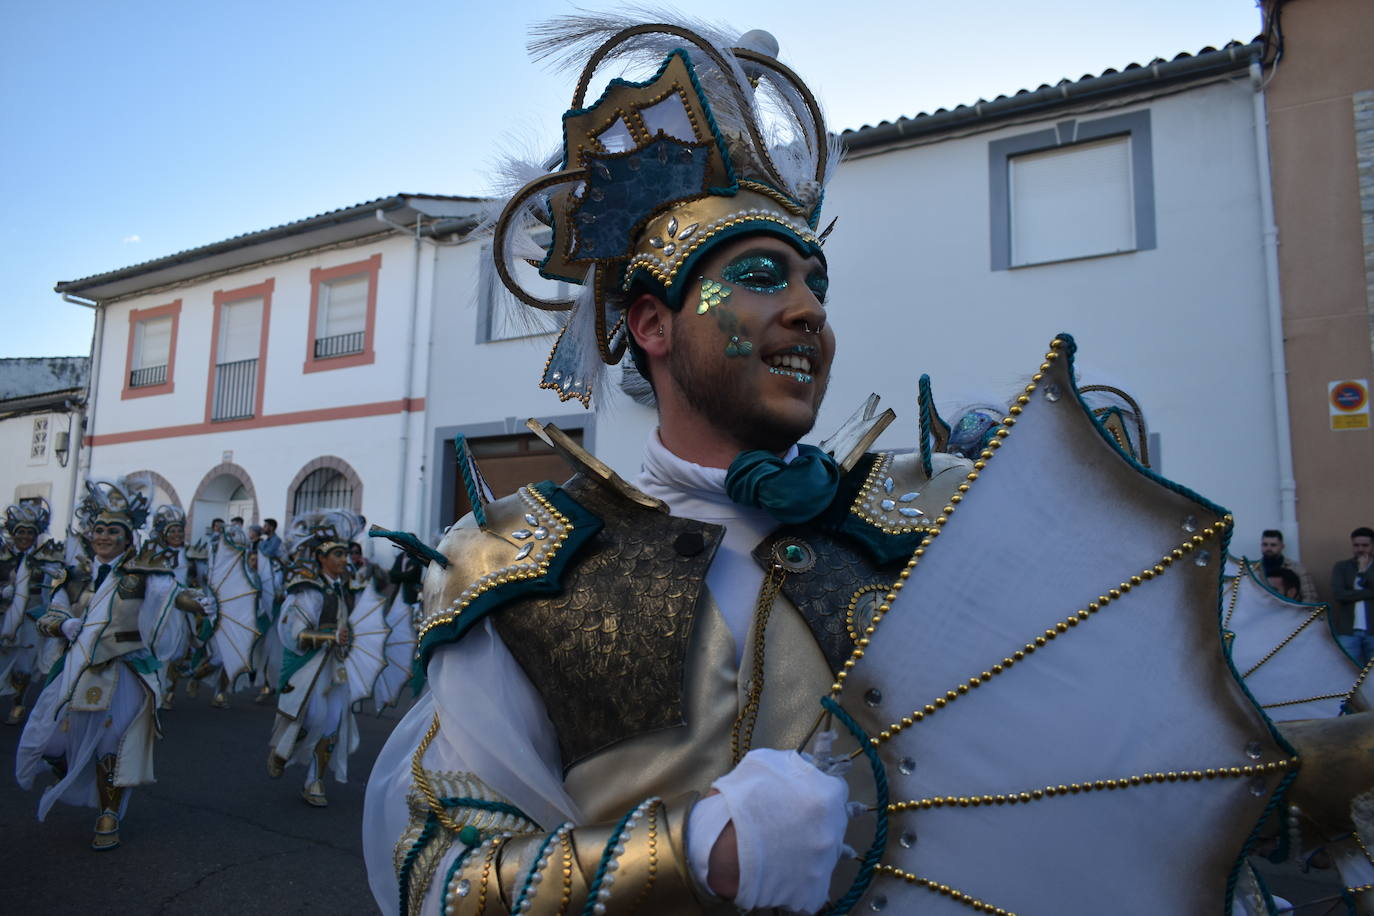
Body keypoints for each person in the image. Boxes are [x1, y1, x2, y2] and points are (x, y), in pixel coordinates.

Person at [362, 18, 933, 915]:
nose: (807, 312)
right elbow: (436, 869)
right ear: (652, 325)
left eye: (816, 284)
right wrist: (691, 856)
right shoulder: (532, 565)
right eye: (758, 276)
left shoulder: (918, 531)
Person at [15, 480, 201, 850]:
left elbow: (172, 596)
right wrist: (63, 624)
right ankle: (72, 770)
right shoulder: (72, 573)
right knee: (50, 740)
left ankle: (108, 814)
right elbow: (48, 616)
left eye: (112, 530)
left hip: (125, 669)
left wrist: (198, 604)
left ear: (128, 537)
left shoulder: (142, 572)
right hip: (78, 668)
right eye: (98, 529)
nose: (103, 536)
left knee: (113, 744)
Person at [266, 510, 365, 808]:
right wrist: (329, 637)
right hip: (307, 666)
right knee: (312, 718)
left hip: (334, 666)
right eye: (337, 554)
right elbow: (294, 633)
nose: (344, 559)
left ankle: (315, 780)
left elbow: (351, 622)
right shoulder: (307, 589)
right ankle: (283, 749)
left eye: (345, 553)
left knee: (333, 721)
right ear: (321, 558)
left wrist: (349, 639)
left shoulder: (346, 586)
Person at [0, 500, 63, 725]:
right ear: (13, 534)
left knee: (24, 666)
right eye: (21, 532)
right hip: (2, 617)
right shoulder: (2, 557)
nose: (25, 537)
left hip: (29, 619)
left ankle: (18, 701)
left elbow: (58, 586)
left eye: (30, 533)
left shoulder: (45, 560)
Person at [1330, 526, 1374, 667]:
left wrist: (1363, 571)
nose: (1360, 549)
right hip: (1348, 631)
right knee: (1349, 673)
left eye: (1365, 545)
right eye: (1356, 545)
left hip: (1373, 631)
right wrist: (1370, 593)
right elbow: (1339, 595)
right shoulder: (1341, 567)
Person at [1258, 529, 1317, 602]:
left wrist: (1295, 612)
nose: (1268, 548)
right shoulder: (1254, 570)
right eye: (1265, 544)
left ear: (1282, 546)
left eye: (1273, 545)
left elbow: (1310, 597)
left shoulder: (1297, 569)